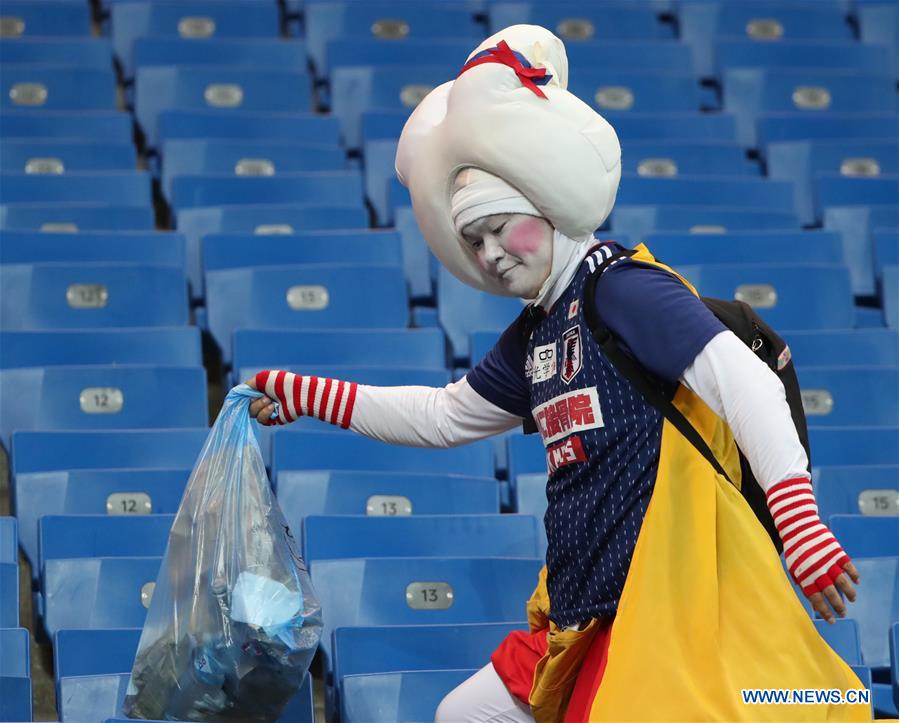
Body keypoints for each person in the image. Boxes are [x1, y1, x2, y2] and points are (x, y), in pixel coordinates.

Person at [247, 25, 866, 723]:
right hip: (584, 612)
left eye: (500, 226)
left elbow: (743, 381)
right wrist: (306, 395)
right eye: (472, 240)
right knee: (463, 714)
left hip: (669, 609)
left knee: (803, 703)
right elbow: (445, 416)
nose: (489, 255)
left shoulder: (623, 288)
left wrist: (800, 521)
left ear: (546, 204)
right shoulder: (537, 328)